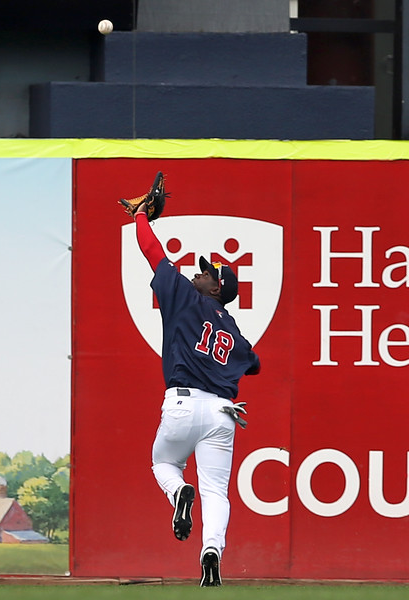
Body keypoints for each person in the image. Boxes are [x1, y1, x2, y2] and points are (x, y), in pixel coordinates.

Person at [132, 202, 260, 587]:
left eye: (206, 273)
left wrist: (140, 215)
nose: (198, 273)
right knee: (217, 492)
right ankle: (211, 552)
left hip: (182, 404)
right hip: (222, 413)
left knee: (163, 465)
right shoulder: (233, 330)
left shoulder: (184, 296)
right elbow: (253, 363)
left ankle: (178, 492)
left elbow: (152, 251)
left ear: (217, 286)